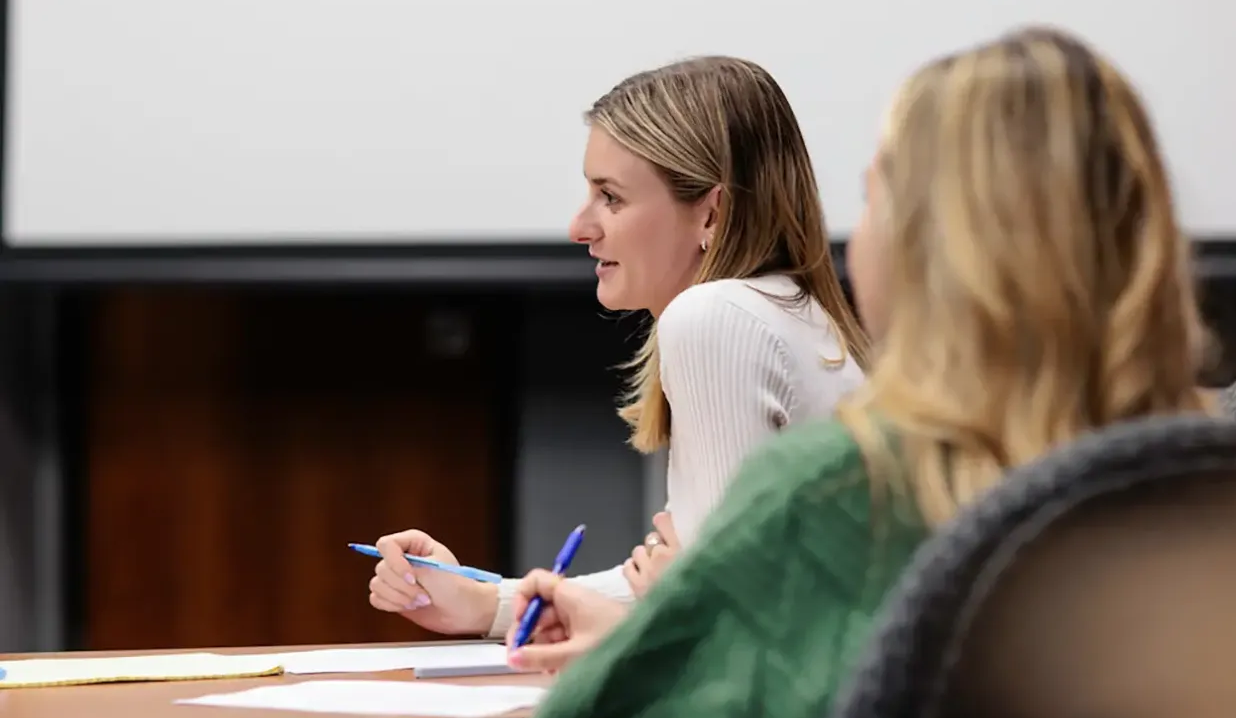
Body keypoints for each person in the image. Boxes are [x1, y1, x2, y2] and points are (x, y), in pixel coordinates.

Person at [305, 26, 1214, 718]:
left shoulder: (842, 464)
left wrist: (643, 649)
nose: (581, 226)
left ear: (944, 242)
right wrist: (509, 605)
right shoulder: (1194, 473)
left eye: (878, 196)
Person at [364, 56, 869, 643]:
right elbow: (693, 582)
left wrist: (670, 598)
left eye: (611, 197)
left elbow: (717, 622)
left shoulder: (714, 318)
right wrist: (487, 604)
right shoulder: (789, 310)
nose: (580, 226)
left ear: (711, 211)